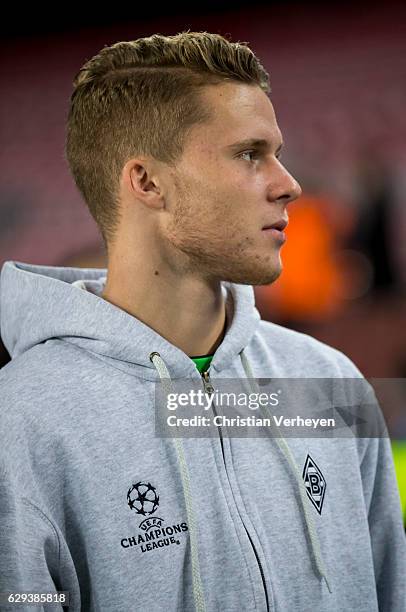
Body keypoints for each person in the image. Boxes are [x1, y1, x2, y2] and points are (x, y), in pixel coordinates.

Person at [0, 32, 405, 612]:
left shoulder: (326, 381)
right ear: (147, 182)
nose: (289, 184)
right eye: (249, 154)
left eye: (278, 153)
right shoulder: (20, 421)